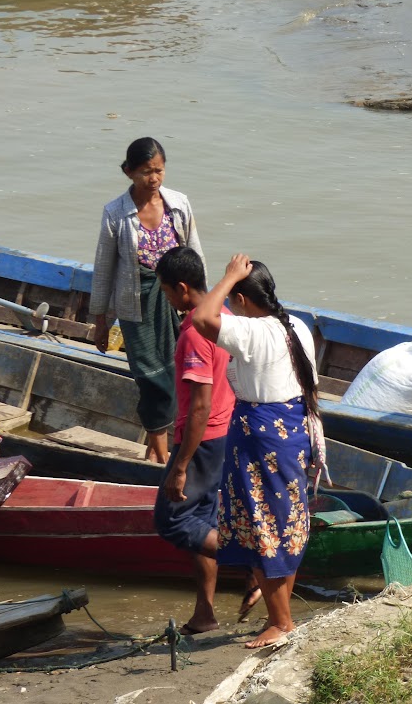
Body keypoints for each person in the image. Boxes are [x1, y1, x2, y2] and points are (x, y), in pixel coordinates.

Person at [190, 254, 324, 649]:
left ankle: (281, 622)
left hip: (262, 437)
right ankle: (279, 617)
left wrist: (229, 277)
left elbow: (202, 318)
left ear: (244, 299)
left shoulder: (252, 332)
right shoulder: (295, 324)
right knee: (285, 524)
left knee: (264, 527)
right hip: (293, 430)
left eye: (233, 297)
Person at [152, 247, 260, 634]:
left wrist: (180, 465)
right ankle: (205, 614)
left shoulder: (196, 333)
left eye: (166, 292)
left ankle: (256, 562)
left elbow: (199, 406)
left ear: (182, 290)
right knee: (204, 523)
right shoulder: (225, 318)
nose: (166, 300)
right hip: (228, 433)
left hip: (205, 438)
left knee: (173, 520)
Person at [91, 137, 206, 464]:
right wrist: (100, 321)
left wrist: (204, 304)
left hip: (177, 299)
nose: (153, 178)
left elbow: (195, 256)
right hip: (135, 304)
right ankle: (159, 450)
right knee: (151, 378)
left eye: (158, 170)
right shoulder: (116, 213)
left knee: (184, 371)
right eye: (145, 172)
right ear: (129, 172)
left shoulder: (179, 204)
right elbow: (104, 270)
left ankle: (161, 448)